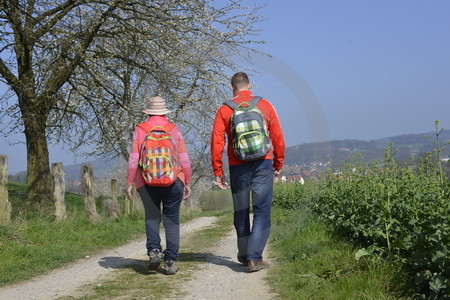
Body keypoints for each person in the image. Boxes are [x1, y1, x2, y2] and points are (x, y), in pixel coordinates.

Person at [211, 72, 285, 272]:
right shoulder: (265, 105)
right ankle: (255, 258)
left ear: (232, 87)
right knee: (261, 210)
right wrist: (278, 163)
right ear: (250, 85)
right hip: (263, 162)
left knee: (241, 210)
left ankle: (244, 255)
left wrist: (218, 170)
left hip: (237, 164)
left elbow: (217, 142)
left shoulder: (224, 109)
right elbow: (278, 137)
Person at [126, 96, 192, 275]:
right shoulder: (173, 129)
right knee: (171, 221)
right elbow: (184, 158)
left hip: (146, 181)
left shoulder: (140, 129)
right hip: (173, 180)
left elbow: (134, 159)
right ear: (165, 112)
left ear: (148, 112)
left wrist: (130, 182)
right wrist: (187, 181)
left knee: (152, 217)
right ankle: (170, 261)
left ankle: (154, 251)